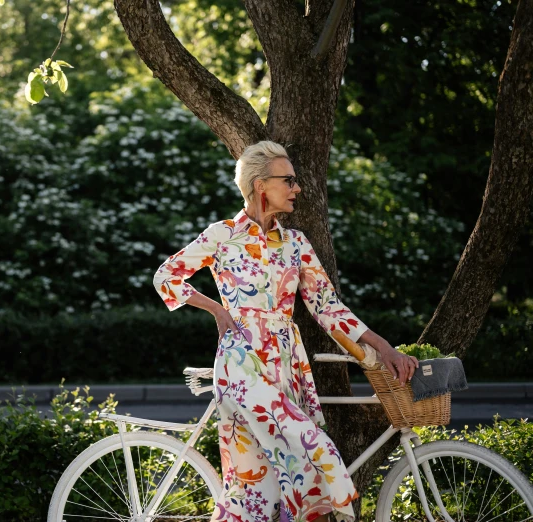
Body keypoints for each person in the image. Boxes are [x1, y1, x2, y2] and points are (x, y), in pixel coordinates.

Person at [153, 141, 418, 522]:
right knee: (312, 445)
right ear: (261, 185)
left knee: (259, 494)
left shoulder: (296, 244)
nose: (297, 188)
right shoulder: (223, 235)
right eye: (288, 180)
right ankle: (344, 508)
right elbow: (167, 276)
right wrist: (216, 309)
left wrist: (385, 349)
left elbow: (328, 308)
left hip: (286, 367)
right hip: (241, 365)